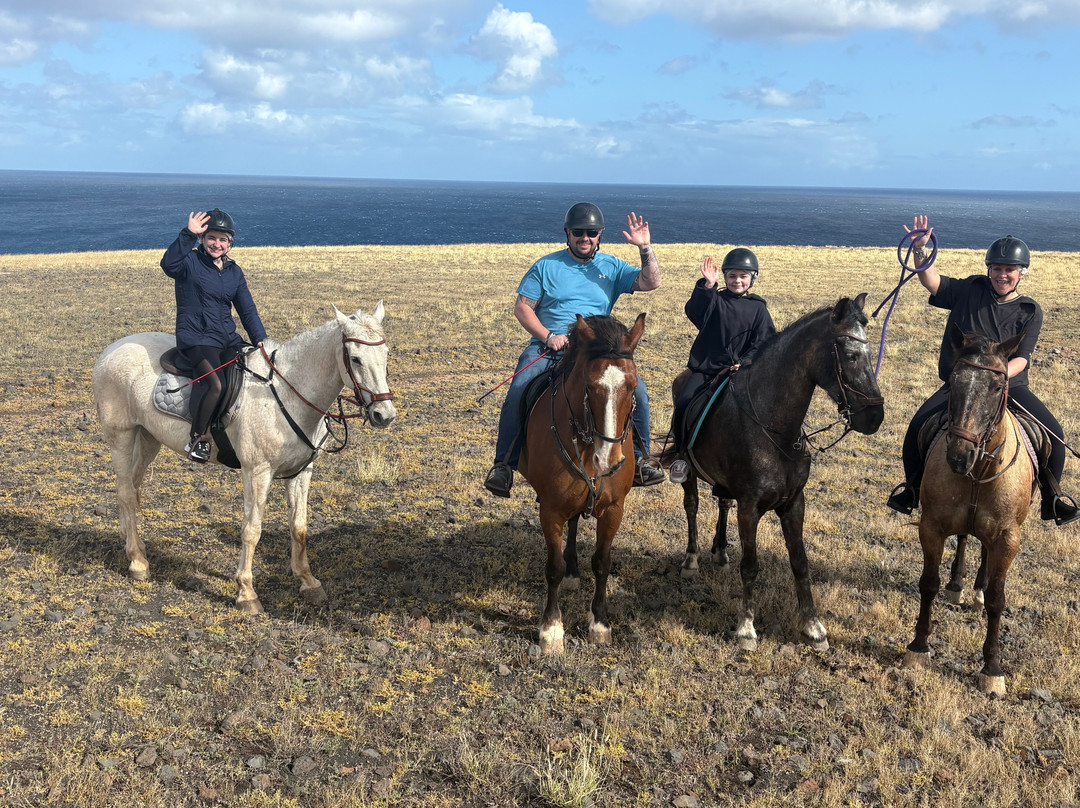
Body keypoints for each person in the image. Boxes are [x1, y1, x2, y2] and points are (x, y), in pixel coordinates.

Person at [886, 215, 1079, 526]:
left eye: (1009, 270)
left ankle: (1053, 499)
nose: (1002, 275)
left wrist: (997, 379)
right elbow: (932, 282)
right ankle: (911, 490)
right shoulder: (971, 289)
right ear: (989, 269)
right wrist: (921, 251)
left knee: (1054, 435)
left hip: (1007, 386)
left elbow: (1023, 359)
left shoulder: (1030, 311)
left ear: (1022, 273)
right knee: (917, 426)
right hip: (960, 384)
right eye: (997, 268)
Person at [483, 202, 665, 497]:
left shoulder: (611, 267)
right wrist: (548, 335)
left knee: (639, 392)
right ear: (567, 233)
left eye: (591, 232)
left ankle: (642, 460)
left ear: (600, 235)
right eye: (578, 232)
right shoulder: (546, 266)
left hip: (597, 353)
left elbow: (651, 282)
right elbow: (522, 308)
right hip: (550, 348)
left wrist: (645, 248)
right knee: (519, 387)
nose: (585, 237)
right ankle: (504, 464)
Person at [161, 209, 267, 463]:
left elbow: (247, 309)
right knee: (215, 383)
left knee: (249, 376)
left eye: (223, 239)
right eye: (211, 238)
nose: (217, 244)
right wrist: (188, 234)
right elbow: (168, 265)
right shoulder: (189, 263)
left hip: (227, 339)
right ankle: (197, 438)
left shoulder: (234, 272)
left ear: (230, 243)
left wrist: (261, 339)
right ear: (202, 238)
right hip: (196, 339)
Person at [667, 248, 776, 483]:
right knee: (685, 403)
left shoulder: (759, 308)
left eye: (743, 276)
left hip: (742, 372)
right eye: (733, 276)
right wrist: (707, 286)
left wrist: (745, 363)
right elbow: (695, 312)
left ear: (753, 278)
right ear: (725, 277)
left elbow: (765, 342)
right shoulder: (714, 300)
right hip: (707, 369)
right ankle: (681, 455)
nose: (738, 280)